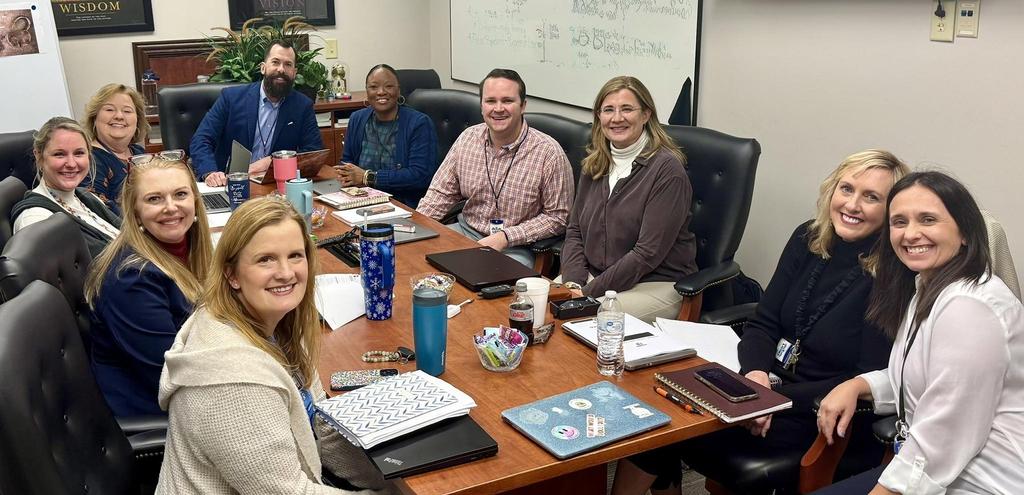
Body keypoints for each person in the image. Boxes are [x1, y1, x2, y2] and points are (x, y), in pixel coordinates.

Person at [612, 150, 910, 495]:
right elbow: (763, 322)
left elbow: (863, 377)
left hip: (820, 414)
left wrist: (770, 400)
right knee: (656, 413)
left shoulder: (893, 275)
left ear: (891, 211)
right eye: (847, 189)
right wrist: (755, 377)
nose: (852, 205)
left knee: (676, 426)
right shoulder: (808, 238)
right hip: (761, 388)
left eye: (871, 197)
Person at [156, 196, 390, 494]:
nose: (286, 273)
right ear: (231, 274)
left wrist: (389, 479)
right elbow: (288, 492)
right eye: (265, 259)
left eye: (295, 255)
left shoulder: (276, 324)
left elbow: (322, 427)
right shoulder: (232, 380)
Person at [817, 171, 1024, 494]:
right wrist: (859, 385)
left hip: (984, 482)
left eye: (928, 220)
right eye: (899, 222)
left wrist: (886, 490)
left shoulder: (970, 308)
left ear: (965, 232)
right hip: (939, 472)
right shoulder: (929, 287)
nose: (911, 234)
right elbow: (924, 378)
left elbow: (946, 430)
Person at [559, 76, 696, 322]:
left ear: (646, 115)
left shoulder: (667, 171)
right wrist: (572, 283)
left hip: (654, 283)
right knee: (540, 305)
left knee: (584, 319)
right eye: (608, 110)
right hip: (595, 277)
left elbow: (646, 253)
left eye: (627, 109)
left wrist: (585, 294)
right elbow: (575, 231)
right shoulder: (595, 162)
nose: (617, 118)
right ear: (599, 116)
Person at [84, 155, 212, 416]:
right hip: (160, 411)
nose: (171, 207)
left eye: (180, 194)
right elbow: (172, 376)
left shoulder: (187, 251)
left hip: (198, 384)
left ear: (196, 201)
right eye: (154, 199)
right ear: (135, 212)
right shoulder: (132, 279)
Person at [416, 68, 574, 267]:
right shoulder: (468, 139)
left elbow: (558, 218)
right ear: (481, 106)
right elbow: (441, 193)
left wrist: (505, 237)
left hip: (515, 247)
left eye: (507, 101)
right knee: (415, 262)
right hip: (465, 232)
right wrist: (416, 225)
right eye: (491, 101)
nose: (498, 109)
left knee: (491, 281)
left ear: (523, 106)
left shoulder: (548, 153)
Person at [189, 40, 323, 187]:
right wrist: (210, 172)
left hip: (275, 186)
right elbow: (201, 139)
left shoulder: (302, 106)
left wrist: (272, 161)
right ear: (263, 68)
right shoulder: (231, 99)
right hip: (230, 183)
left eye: (288, 64)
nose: (281, 69)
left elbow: (313, 153)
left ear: (294, 73)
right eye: (275, 62)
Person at [11, 116, 120, 257]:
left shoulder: (86, 197)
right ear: (38, 156)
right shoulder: (35, 219)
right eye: (59, 154)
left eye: (79, 153)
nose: (71, 164)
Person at [333, 64, 439, 208]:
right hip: (361, 199)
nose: (381, 92)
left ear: (398, 90)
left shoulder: (419, 124)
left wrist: (367, 177)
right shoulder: (357, 119)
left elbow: (419, 176)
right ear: (367, 91)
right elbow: (347, 162)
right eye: (373, 87)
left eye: (389, 86)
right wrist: (346, 176)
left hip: (403, 204)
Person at [80, 83, 149, 214]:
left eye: (127, 111)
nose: (119, 116)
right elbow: (99, 212)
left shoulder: (138, 152)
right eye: (109, 110)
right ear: (94, 118)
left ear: (137, 120)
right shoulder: (89, 160)